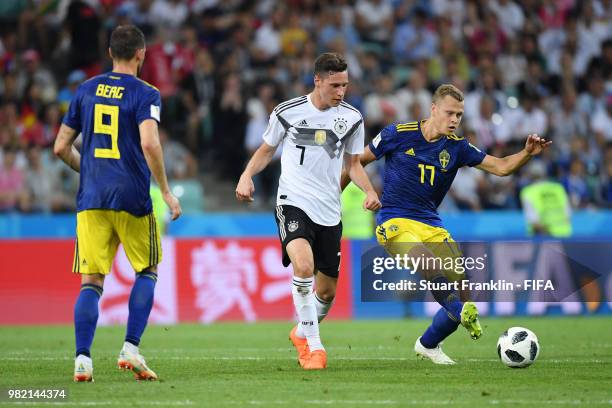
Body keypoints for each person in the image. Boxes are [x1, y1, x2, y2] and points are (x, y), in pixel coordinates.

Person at [341, 84, 551, 364]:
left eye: (460, 115)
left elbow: (501, 167)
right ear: (434, 109)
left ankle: (428, 344)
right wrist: (336, 196)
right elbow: (356, 163)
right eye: (450, 113)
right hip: (394, 220)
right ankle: (455, 314)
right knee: (430, 267)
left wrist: (525, 153)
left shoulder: (458, 148)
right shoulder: (398, 134)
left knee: (464, 295)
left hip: (431, 224)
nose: (454, 120)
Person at [235, 52, 381, 370]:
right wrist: (247, 175)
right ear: (317, 80)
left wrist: (369, 190)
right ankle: (314, 348)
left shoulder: (352, 118)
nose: (340, 92)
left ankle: (301, 333)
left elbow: (353, 164)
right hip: (293, 201)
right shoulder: (288, 112)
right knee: (303, 266)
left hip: (329, 208)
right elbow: (266, 150)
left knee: (326, 291)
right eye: (334, 85)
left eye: (344, 85)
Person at [53, 25, 182, 382]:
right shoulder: (147, 93)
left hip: (92, 197)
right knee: (148, 269)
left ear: (110, 53)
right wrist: (167, 192)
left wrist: (90, 171)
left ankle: (82, 359)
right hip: (132, 196)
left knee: (91, 281)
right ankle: (130, 349)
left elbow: (60, 147)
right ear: (141, 54)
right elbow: (151, 143)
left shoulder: (85, 90)